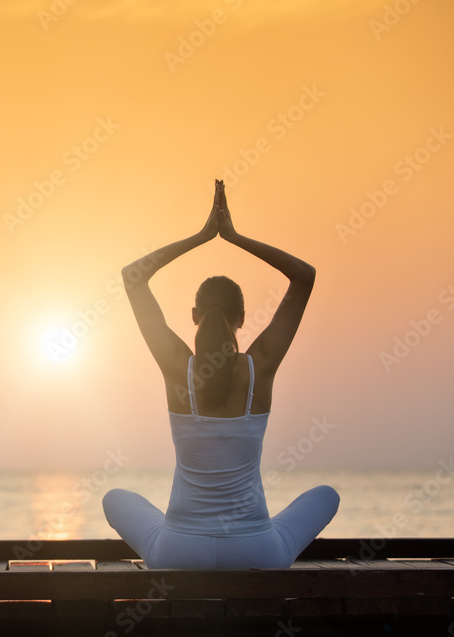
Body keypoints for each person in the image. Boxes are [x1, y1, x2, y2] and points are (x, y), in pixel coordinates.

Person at [102, 179, 339, 569]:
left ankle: (180, 529)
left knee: (114, 498)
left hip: (179, 553)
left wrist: (201, 236)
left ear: (194, 316)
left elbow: (133, 276)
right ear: (243, 318)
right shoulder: (259, 366)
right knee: (326, 495)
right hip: (258, 552)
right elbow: (304, 276)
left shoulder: (178, 367)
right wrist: (233, 236)